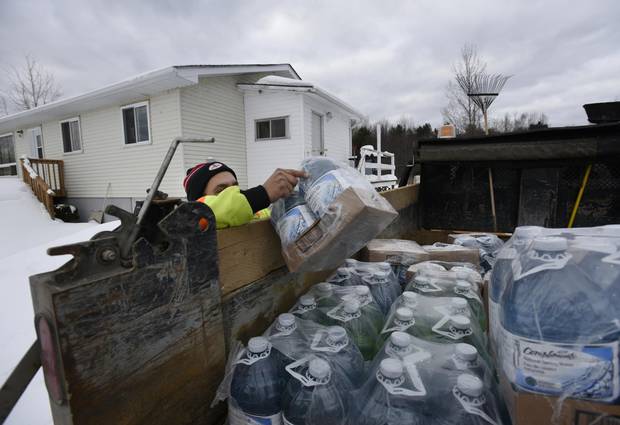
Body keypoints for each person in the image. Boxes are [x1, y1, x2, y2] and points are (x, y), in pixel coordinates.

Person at [183, 161, 306, 229]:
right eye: (221, 191)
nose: (234, 193)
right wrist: (262, 193)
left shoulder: (253, 212)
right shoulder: (196, 217)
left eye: (235, 187)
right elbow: (211, 212)